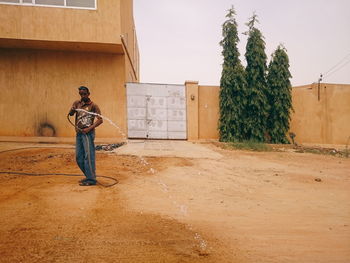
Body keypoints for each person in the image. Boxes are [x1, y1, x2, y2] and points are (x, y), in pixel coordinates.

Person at [69, 86, 103, 186]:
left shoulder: (93, 106)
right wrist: (72, 109)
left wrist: (89, 128)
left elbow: (100, 120)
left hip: (88, 134)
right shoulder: (77, 103)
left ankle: (91, 180)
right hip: (79, 133)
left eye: (84, 94)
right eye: (81, 94)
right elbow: (71, 114)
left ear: (88, 94)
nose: (83, 96)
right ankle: (89, 176)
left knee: (89, 156)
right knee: (79, 157)